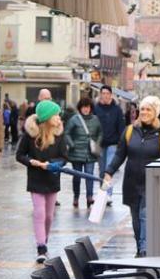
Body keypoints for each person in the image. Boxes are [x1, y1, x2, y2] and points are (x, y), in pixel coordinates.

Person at [103, 96, 160, 257]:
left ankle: (144, 250)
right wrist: (109, 172)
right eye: (142, 109)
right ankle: (140, 248)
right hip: (131, 182)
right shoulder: (130, 131)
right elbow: (119, 155)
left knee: (145, 215)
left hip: (153, 183)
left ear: (155, 113)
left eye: (148, 109)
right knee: (136, 218)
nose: (144, 112)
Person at [16, 100, 67, 263]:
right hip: (36, 179)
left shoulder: (59, 135)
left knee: (49, 216)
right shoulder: (30, 135)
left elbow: (65, 157)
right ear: (47, 118)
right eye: (56, 115)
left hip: (52, 179)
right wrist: (31, 162)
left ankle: (44, 240)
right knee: (39, 213)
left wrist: (55, 164)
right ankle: (41, 247)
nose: (59, 118)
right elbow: (19, 155)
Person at [64, 95, 102, 208]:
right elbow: (67, 133)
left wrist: (97, 142)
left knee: (90, 175)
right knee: (77, 176)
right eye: (84, 107)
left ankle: (89, 197)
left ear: (91, 108)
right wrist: (72, 144)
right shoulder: (74, 119)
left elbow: (100, 132)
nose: (86, 109)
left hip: (90, 153)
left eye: (88, 107)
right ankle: (76, 197)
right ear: (80, 108)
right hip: (76, 153)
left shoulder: (95, 119)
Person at [93, 84, 125, 177]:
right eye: (103, 93)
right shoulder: (96, 109)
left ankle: (108, 191)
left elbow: (121, 126)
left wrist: (121, 141)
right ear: (100, 95)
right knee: (102, 170)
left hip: (113, 143)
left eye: (107, 93)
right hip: (100, 143)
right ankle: (102, 190)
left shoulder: (117, 109)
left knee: (109, 170)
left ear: (111, 95)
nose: (105, 95)